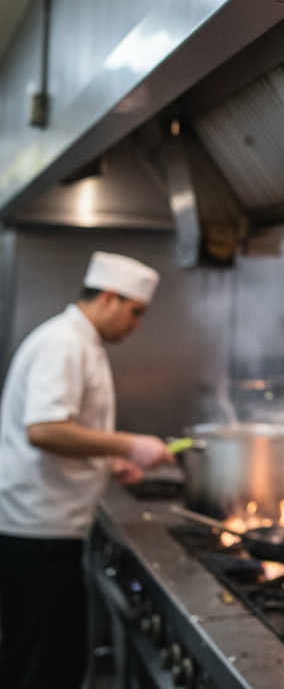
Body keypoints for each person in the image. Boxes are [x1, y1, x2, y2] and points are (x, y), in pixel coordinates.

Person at [0, 251, 174, 689]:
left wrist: (105, 461)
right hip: (34, 536)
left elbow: (63, 431)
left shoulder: (79, 341)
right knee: (45, 670)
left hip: (45, 532)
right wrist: (130, 444)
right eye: (135, 313)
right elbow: (43, 429)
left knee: (43, 661)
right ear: (109, 298)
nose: (136, 326)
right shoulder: (65, 343)